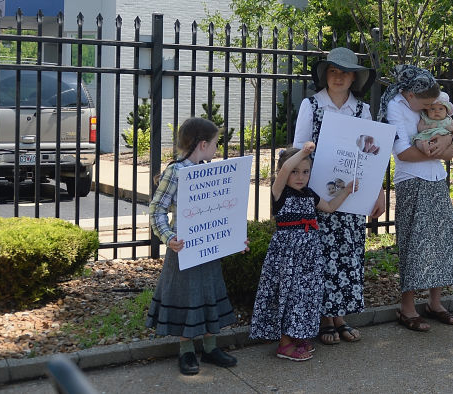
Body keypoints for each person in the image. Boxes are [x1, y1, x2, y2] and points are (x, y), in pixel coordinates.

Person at [292, 47, 385, 345]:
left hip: (352, 195)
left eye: (345, 72)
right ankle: (323, 318)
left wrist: (379, 191)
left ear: (354, 78)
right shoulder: (311, 105)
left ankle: (340, 316)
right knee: (321, 255)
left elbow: (371, 154)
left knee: (347, 255)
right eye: (333, 71)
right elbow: (294, 150)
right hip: (318, 194)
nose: (339, 77)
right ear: (325, 75)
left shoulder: (361, 110)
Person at [378, 65, 453, 331]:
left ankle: (435, 303)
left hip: (436, 178)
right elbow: (403, 152)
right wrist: (442, 152)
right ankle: (407, 307)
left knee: (439, 241)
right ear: (408, 95)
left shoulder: (426, 104)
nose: (431, 106)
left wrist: (447, 147)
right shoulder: (395, 107)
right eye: (426, 102)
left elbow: (450, 139)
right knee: (413, 242)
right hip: (411, 180)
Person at [146, 117, 240, 376]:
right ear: (202, 144)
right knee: (186, 297)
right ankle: (186, 352)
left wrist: (233, 238)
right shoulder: (175, 172)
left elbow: (223, 210)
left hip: (208, 248)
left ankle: (210, 348)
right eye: (215, 144)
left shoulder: (210, 171)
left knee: (209, 292)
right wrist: (168, 237)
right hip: (183, 248)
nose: (216, 149)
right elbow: (156, 210)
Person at [250, 142, 358, 361]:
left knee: (303, 297)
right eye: (295, 172)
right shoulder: (280, 193)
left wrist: (346, 190)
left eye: (305, 172)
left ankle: (296, 336)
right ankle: (284, 344)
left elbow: (329, 207)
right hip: (287, 257)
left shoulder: (309, 195)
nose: (300, 177)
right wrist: (304, 152)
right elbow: (284, 170)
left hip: (308, 258)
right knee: (287, 296)